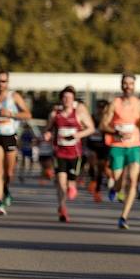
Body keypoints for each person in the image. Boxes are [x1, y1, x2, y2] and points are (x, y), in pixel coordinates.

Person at [101, 74, 140, 229]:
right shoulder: (115, 103)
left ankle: (123, 217)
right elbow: (103, 125)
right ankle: (115, 188)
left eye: (131, 83)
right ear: (121, 85)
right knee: (119, 180)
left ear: (134, 86)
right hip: (117, 146)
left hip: (134, 146)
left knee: (133, 181)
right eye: (125, 83)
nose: (128, 86)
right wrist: (116, 132)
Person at [46, 86, 96, 222]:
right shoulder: (55, 114)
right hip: (59, 152)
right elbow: (48, 129)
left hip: (75, 154)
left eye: (70, 97)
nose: (67, 100)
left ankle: (70, 189)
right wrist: (48, 134)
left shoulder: (78, 112)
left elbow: (91, 128)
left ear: (73, 99)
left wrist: (77, 135)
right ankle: (62, 208)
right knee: (61, 183)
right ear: (61, 99)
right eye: (64, 97)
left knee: (70, 185)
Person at [0, 70, 29, 215]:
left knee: (9, 173)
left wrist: (11, 114)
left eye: (3, 81)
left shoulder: (14, 97)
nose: (0, 84)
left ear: (8, 82)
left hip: (10, 136)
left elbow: (27, 114)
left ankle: (6, 189)